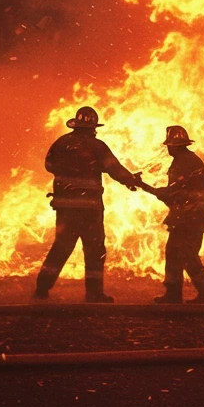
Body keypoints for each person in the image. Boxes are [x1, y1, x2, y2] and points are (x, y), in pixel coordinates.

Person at [33, 106, 140, 303]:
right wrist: (131, 180)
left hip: (65, 208)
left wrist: (68, 172)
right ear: (92, 127)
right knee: (94, 250)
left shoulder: (61, 143)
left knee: (61, 247)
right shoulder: (97, 146)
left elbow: (49, 165)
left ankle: (42, 288)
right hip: (89, 209)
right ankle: (94, 293)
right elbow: (114, 169)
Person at [148, 125, 204, 305]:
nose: (168, 148)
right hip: (186, 217)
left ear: (175, 146)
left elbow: (180, 190)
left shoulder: (185, 162)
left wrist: (165, 193)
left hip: (189, 218)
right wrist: (167, 194)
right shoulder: (185, 160)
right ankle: (173, 294)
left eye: (169, 145)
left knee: (188, 255)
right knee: (175, 254)